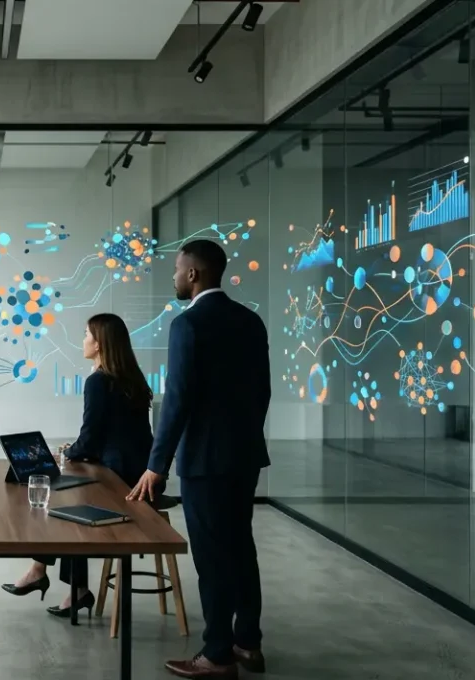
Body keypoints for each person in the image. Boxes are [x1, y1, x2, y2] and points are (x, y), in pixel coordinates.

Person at [127, 239, 271, 679]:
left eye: (176, 269)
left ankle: (217, 654)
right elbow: (262, 391)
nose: (173, 276)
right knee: (241, 547)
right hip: (244, 455)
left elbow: (178, 402)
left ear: (194, 274)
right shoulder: (250, 321)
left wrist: (157, 464)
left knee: (211, 557)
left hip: (205, 462)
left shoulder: (187, 325)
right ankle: (248, 642)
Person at [1, 313, 156, 619]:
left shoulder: (98, 381)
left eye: (86, 334)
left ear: (99, 344)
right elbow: (109, 433)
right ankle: (59, 580)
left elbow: (91, 438)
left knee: (58, 503)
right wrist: (77, 450)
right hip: (135, 471)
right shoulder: (130, 378)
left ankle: (52, 577)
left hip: (120, 480)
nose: (82, 340)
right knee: (63, 499)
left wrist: (71, 451)